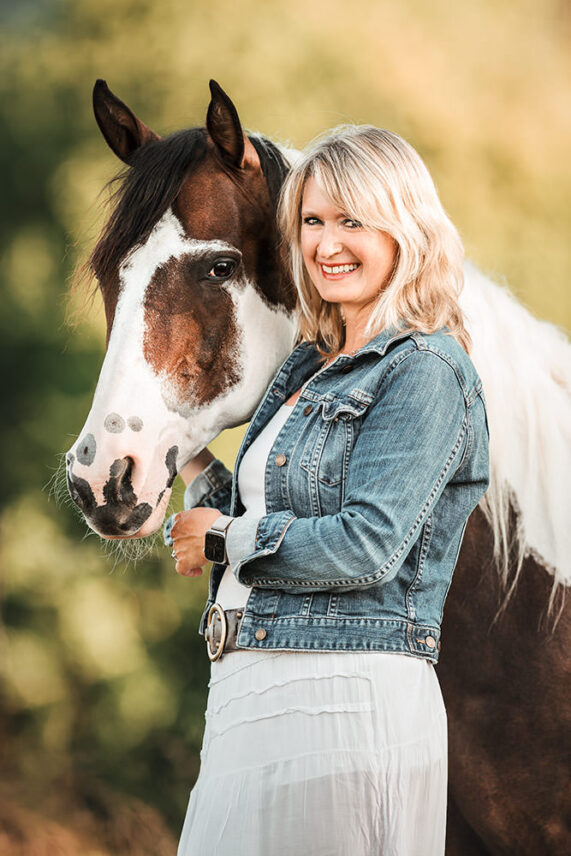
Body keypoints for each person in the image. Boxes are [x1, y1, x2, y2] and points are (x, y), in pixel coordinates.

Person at [164, 125, 489, 855]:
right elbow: (267, 512)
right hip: (251, 693)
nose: (326, 243)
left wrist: (220, 539)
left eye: (352, 220)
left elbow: (365, 545)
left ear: (403, 229)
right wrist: (181, 458)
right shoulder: (307, 366)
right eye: (312, 220)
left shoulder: (425, 369)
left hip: (344, 701)